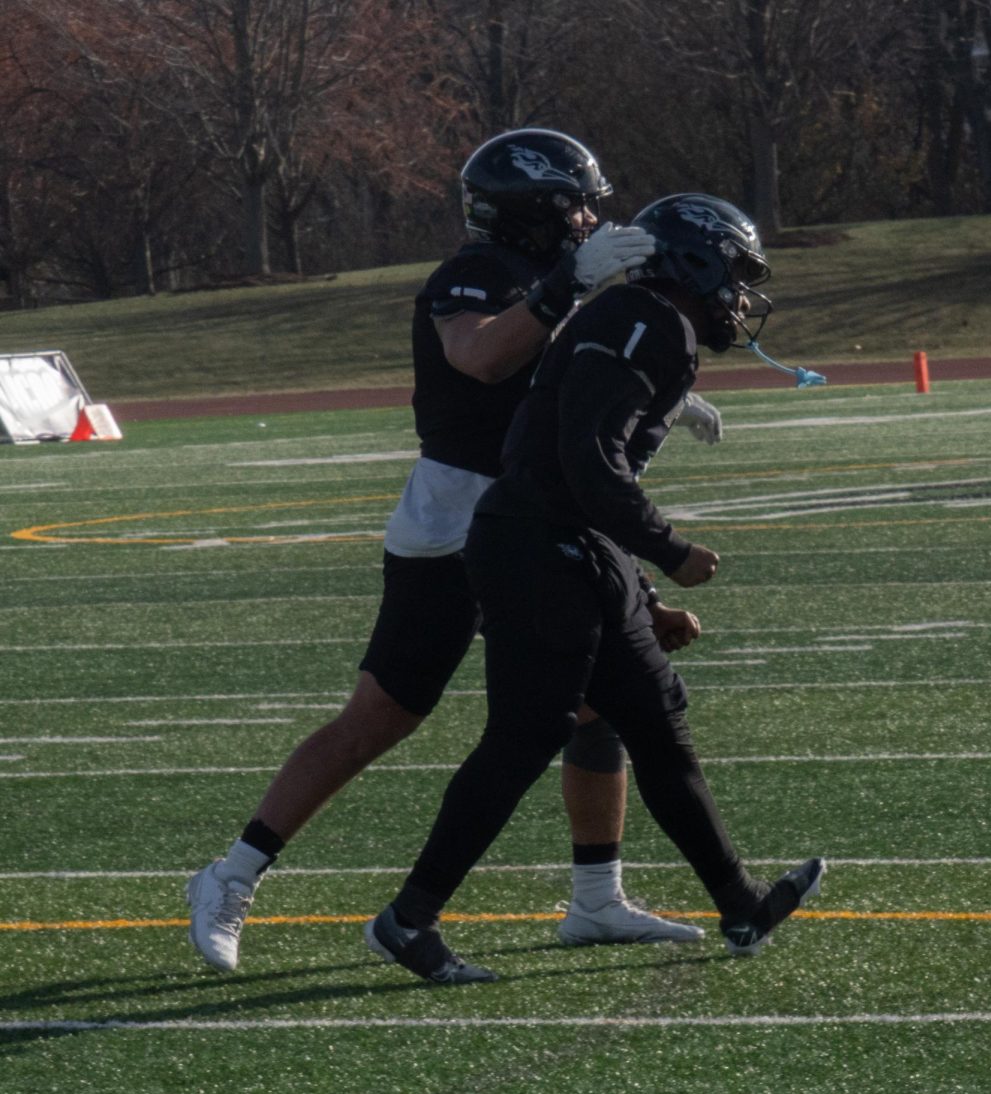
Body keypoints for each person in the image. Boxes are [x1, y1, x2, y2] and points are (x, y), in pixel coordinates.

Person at [186, 129, 703, 972]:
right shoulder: (480, 275)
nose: (585, 218)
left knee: (596, 702)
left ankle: (596, 897)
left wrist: (661, 401)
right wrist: (568, 282)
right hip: (456, 521)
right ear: (528, 210)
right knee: (381, 718)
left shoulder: (549, 279)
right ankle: (230, 875)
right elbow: (480, 358)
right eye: (572, 204)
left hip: (536, 518)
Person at [364, 192, 826, 984]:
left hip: (574, 545)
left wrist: (636, 583)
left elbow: (572, 457)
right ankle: (407, 921)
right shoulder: (642, 321)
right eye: (734, 275)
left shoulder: (645, 321)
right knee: (524, 734)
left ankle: (739, 903)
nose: (740, 298)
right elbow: (588, 462)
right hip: (539, 546)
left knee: (656, 717)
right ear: (695, 261)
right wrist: (668, 549)